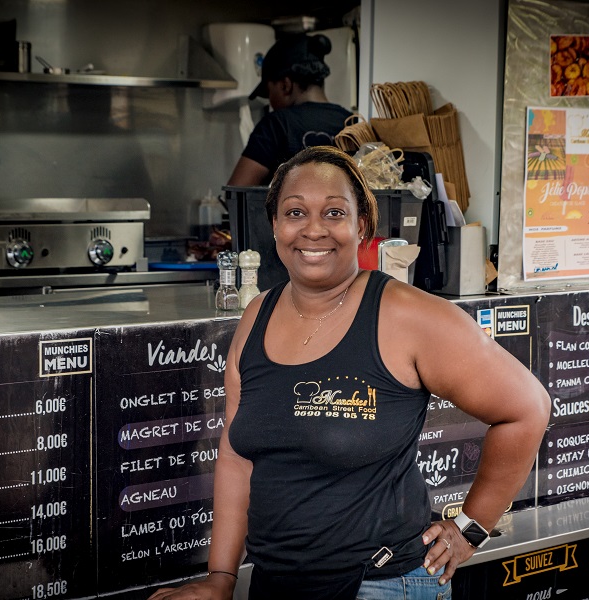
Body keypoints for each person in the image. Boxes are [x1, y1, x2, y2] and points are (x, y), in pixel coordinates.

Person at [150, 146, 551, 600]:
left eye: (334, 212)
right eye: (295, 212)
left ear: (361, 225)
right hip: (275, 584)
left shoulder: (405, 314)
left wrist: (470, 528)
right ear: (276, 225)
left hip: (382, 584)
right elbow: (237, 458)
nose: (314, 229)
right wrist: (221, 578)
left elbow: (527, 409)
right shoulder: (257, 316)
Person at [226, 33, 354, 187]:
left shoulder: (276, 124)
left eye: (269, 93)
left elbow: (236, 191)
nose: (270, 102)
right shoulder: (352, 122)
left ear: (285, 85)